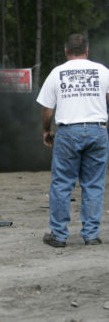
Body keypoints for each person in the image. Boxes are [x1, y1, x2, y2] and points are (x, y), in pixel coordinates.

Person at [37, 33, 109, 247]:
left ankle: (59, 236)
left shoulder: (56, 73)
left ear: (66, 51)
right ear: (87, 51)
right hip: (98, 130)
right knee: (94, 185)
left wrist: (46, 131)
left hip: (68, 133)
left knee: (61, 185)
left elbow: (47, 109)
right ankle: (91, 235)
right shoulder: (103, 72)